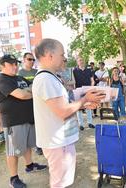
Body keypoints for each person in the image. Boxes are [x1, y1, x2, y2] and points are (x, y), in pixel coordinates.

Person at [32, 38, 104, 188]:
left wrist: (84, 105)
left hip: (60, 140)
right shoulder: (46, 79)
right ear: (49, 55)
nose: (64, 58)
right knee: (60, 182)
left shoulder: (51, 77)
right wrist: (84, 100)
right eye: (62, 54)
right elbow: (62, 111)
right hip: (57, 141)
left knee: (63, 180)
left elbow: (63, 106)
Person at [0, 54, 47, 188]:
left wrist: (28, 90)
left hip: (28, 119)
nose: (15, 66)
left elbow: (35, 87)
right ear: (3, 65)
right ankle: (13, 178)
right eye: (11, 64)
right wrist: (28, 91)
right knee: (13, 151)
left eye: (16, 63)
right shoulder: (1, 79)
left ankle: (30, 165)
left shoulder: (19, 78)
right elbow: (23, 95)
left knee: (27, 145)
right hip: (14, 121)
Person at [18, 52, 43, 156]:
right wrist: (32, 90)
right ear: (24, 60)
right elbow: (21, 90)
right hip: (27, 104)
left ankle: (40, 145)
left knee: (40, 124)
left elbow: (41, 87)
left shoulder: (37, 72)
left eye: (33, 60)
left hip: (39, 103)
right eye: (29, 59)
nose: (32, 61)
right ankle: (34, 145)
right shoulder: (20, 74)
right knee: (32, 125)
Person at [73, 56, 95, 130]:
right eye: (79, 60)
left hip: (87, 90)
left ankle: (90, 123)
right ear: (77, 62)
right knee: (79, 108)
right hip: (78, 91)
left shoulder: (89, 70)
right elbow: (73, 81)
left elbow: (92, 80)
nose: (81, 62)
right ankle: (81, 124)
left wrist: (91, 88)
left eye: (82, 60)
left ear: (84, 62)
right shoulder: (74, 71)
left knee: (88, 106)